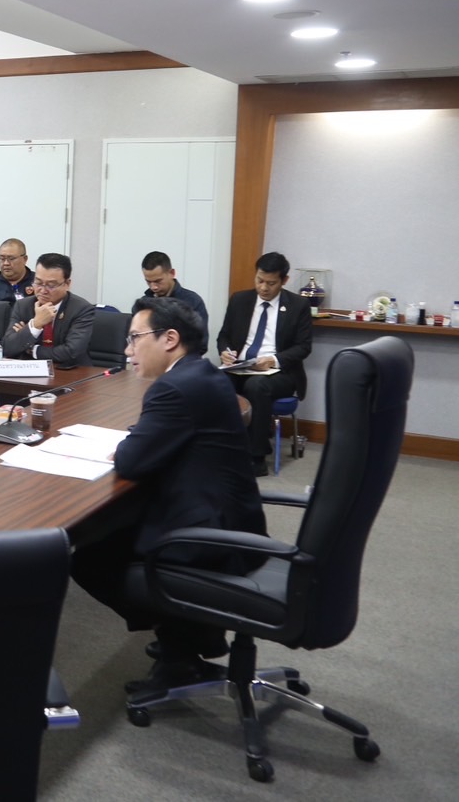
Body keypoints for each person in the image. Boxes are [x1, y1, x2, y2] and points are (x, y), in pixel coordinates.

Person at [70, 297, 265, 691]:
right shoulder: (202, 374)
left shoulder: (174, 388)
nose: (127, 350)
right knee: (112, 529)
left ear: (170, 339)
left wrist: (131, 444)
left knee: (88, 554)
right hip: (235, 520)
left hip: (209, 537)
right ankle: (190, 635)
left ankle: (183, 644)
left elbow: (131, 461)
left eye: (135, 338)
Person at [215, 251, 313, 475]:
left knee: (256, 386)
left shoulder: (298, 305)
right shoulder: (240, 300)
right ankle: (222, 449)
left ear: (284, 280)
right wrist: (225, 352)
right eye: (259, 280)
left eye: (271, 283)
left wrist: (274, 359)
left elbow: (304, 347)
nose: (263, 288)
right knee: (215, 380)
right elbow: (224, 335)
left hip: (279, 372)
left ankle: (256, 456)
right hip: (241, 366)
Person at [0, 252, 95, 366]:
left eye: (51, 285)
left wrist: (31, 349)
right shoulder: (23, 306)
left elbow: (70, 351)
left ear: (67, 284)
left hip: (70, 371)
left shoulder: (82, 309)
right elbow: (8, 348)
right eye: (38, 282)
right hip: (30, 371)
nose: (43, 290)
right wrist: (35, 325)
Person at [140, 251, 209, 328]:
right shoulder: (143, 304)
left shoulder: (193, 301)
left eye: (158, 281)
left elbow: (200, 335)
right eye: (148, 282)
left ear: (172, 273)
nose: (153, 287)